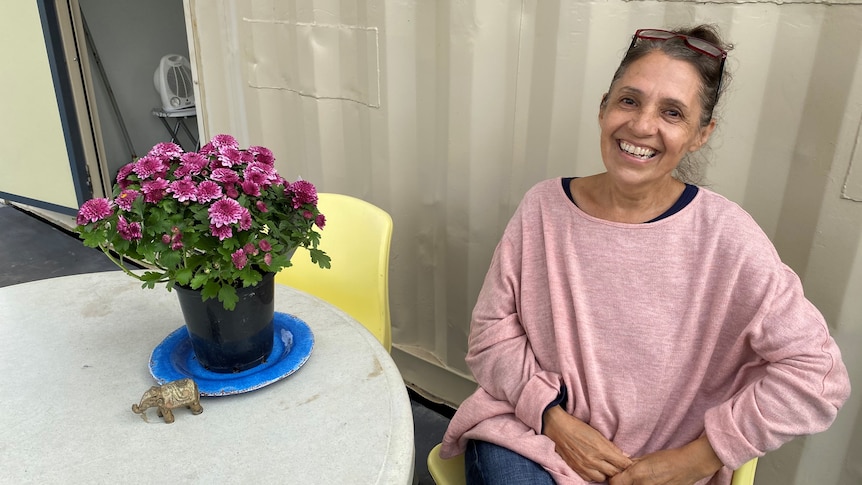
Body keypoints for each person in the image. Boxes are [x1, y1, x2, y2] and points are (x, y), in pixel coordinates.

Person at [439, 25, 851, 485]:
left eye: (672, 112)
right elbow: (490, 334)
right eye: (629, 100)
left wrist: (701, 456)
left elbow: (818, 376)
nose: (640, 125)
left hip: (655, 469)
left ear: (700, 134)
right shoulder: (543, 209)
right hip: (533, 439)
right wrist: (553, 418)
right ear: (603, 107)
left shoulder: (727, 237)